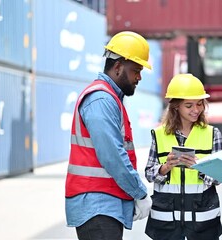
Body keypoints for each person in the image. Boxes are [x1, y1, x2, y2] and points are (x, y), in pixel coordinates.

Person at [65, 31, 152, 240]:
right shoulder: (101, 100)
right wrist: (139, 192)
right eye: (136, 70)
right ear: (118, 66)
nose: (139, 77)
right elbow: (112, 155)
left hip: (103, 205)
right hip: (97, 205)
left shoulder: (110, 98)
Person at [144, 73, 222, 240]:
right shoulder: (159, 134)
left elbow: (219, 177)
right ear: (176, 106)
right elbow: (149, 174)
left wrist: (199, 167)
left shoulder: (212, 134)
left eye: (199, 104)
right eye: (189, 105)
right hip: (167, 222)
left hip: (202, 221)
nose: (196, 110)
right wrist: (165, 167)